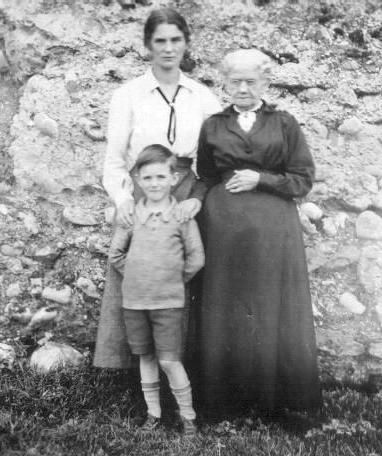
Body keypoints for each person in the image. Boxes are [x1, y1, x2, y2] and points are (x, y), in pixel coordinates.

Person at [194, 49, 322, 418]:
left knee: (268, 308)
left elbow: (303, 179)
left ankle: (273, 400)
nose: (244, 88)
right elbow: (206, 175)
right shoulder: (214, 125)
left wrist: (260, 178)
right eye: (236, 81)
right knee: (227, 309)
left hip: (273, 231)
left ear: (266, 83)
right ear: (225, 83)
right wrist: (193, 207)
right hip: (224, 232)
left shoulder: (284, 123)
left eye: (251, 81)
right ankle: (224, 400)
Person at [93, 7, 221, 369]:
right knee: (137, 270)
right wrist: (122, 200)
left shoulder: (202, 97)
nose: (168, 48)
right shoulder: (129, 95)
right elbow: (115, 160)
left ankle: (184, 364)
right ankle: (131, 367)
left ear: (186, 43)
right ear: (148, 45)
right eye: (160, 41)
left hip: (184, 193)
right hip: (143, 192)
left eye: (175, 40)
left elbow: (213, 161)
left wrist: (197, 199)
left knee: (183, 272)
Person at [108, 145, 205, 435]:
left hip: (169, 302)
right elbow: (115, 255)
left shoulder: (182, 217)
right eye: (147, 178)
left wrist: (173, 279)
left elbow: (197, 258)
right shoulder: (130, 216)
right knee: (146, 357)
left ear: (174, 179)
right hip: (135, 302)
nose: (154, 184)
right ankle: (154, 414)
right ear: (137, 179)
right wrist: (138, 275)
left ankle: (188, 418)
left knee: (169, 359)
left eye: (161, 177)